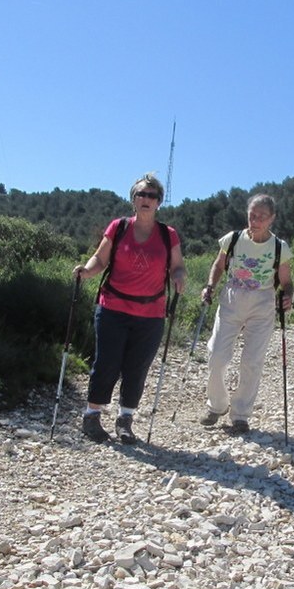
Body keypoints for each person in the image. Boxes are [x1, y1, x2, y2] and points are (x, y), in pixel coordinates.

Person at [72, 173, 186, 444]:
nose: (146, 199)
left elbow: (177, 265)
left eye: (152, 195)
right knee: (107, 363)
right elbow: (100, 259)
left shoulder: (168, 235)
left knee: (137, 367)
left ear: (159, 202)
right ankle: (91, 417)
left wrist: (179, 275)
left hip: (151, 314)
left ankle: (125, 421)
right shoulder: (119, 227)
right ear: (133, 199)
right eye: (141, 194)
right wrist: (86, 272)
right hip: (113, 307)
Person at [199, 194, 294, 434]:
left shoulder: (278, 247)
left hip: (263, 302)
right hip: (231, 298)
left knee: (252, 361)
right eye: (253, 214)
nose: (256, 220)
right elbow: (219, 265)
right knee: (217, 354)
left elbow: (286, 281)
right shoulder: (232, 239)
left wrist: (288, 295)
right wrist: (210, 286)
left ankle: (240, 414)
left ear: (272, 218)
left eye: (262, 216)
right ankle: (217, 405)